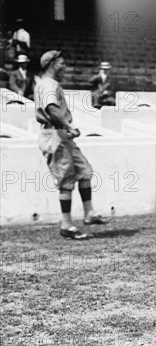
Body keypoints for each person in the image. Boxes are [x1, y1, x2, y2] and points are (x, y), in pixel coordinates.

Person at [33, 50, 109, 240]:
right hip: (54, 133)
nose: (65, 66)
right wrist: (69, 126)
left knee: (85, 171)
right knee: (66, 179)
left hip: (61, 134)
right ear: (52, 64)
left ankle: (89, 213)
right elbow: (51, 108)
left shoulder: (49, 83)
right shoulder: (48, 84)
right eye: (62, 63)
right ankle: (66, 225)